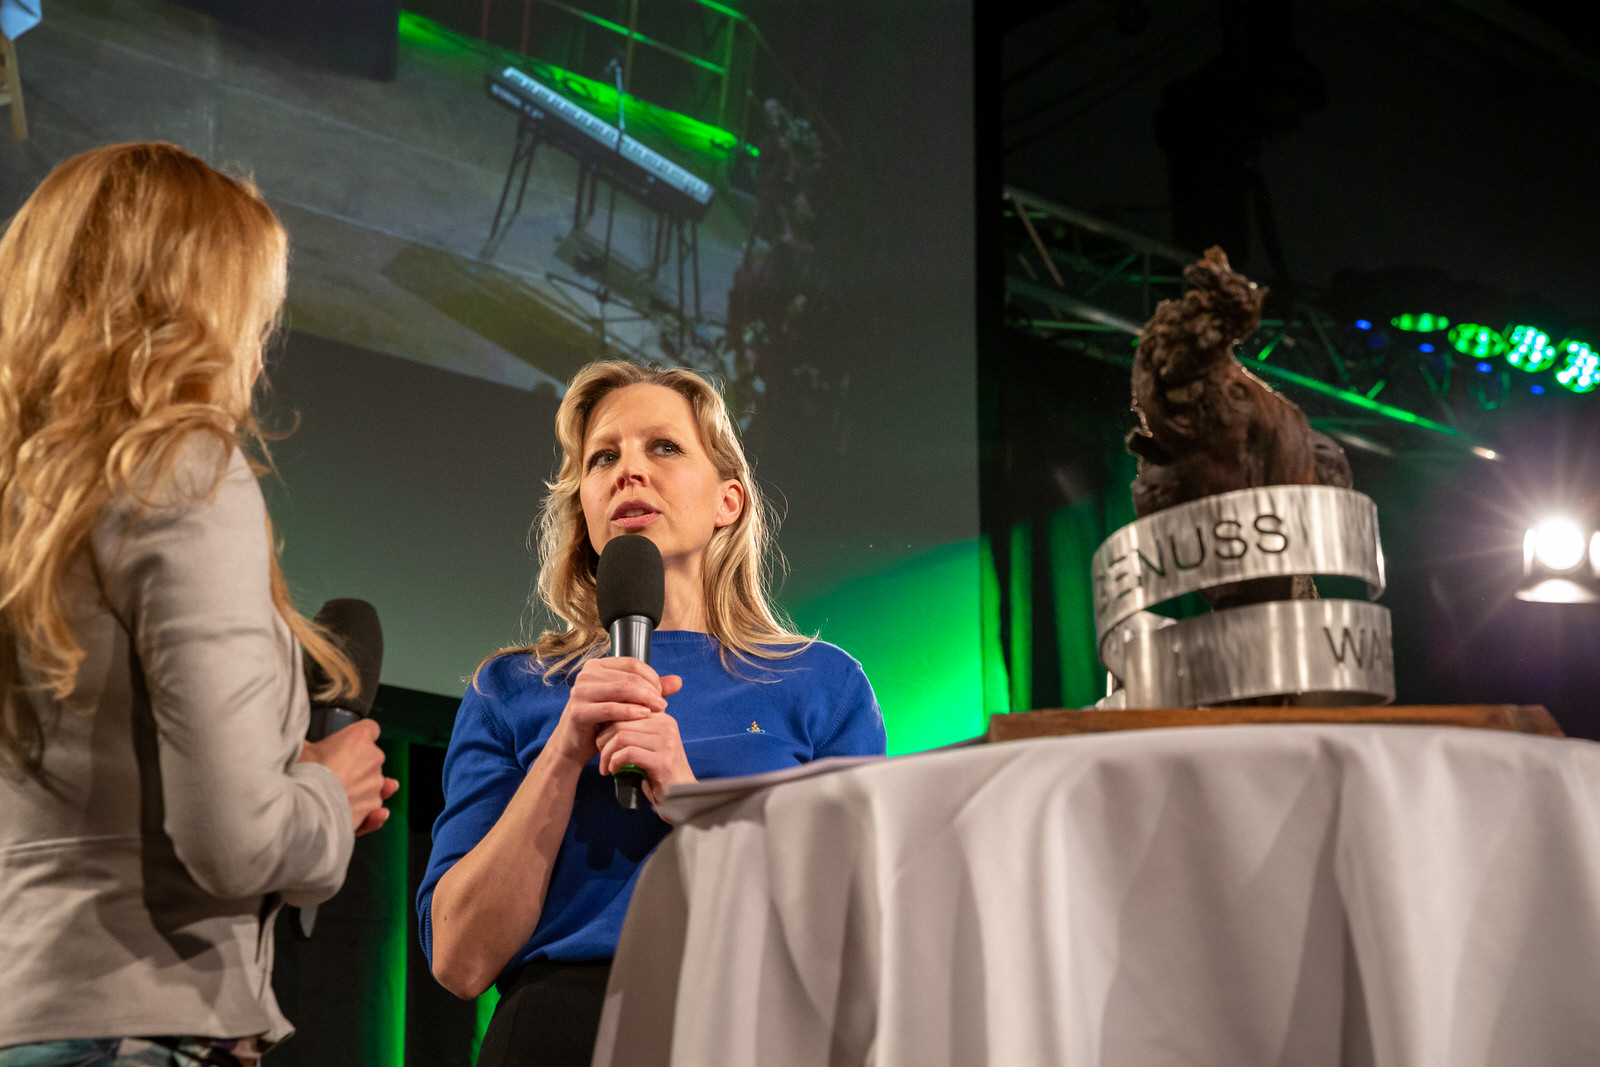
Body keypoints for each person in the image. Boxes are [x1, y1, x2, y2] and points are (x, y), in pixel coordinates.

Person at [0, 143, 396, 1066]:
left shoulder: (28, 496)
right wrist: (326, 793)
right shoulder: (181, 470)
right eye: (254, 309)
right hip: (134, 1028)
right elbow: (233, 840)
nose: (256, 349)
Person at [420, 360, 886, 1066]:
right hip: (555, 1033)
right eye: (602, 457)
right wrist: (563, 753)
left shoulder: (821, 683)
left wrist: (694, 802)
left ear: (729, 499)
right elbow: (459, 959)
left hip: (747, 1024)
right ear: (584, 506)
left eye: (663, 447)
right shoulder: (511, 688)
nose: (628, 471)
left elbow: (855, 931)